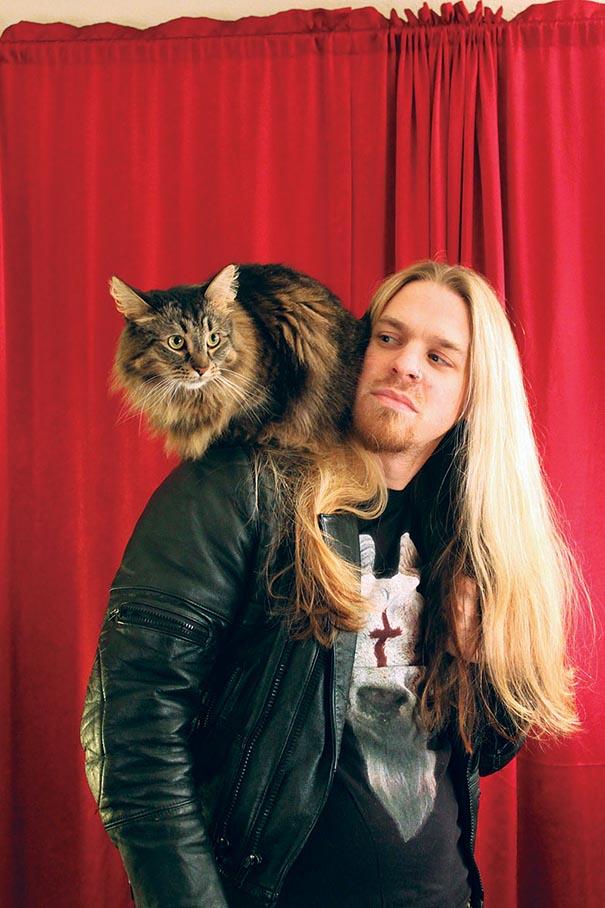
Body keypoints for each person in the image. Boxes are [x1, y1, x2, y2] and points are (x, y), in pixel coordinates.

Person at [81, 261, 580, 908]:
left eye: (439, 357)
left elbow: (484, 751)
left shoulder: (467, 536)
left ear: (473, 394)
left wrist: (486, 663)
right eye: (388, 337)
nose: (406, 365)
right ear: (356, 346)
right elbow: (132, 735)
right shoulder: (240, 489)